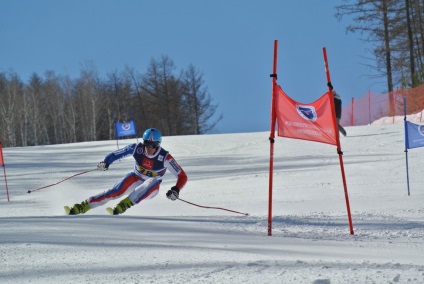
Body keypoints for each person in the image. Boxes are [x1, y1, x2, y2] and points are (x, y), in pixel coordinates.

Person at [66, 128, 188, 215]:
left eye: (153, 145)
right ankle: (82, 206)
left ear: (158, 145)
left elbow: (182, 176)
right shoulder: (136, 148)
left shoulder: (165, 157)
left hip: (152, 188)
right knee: (114, 192)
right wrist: (106, 162)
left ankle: (124, 204)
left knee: (151, 181)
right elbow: (116, 154)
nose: (149, 148)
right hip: (136, 177)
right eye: (147, 144)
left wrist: (176, 189)